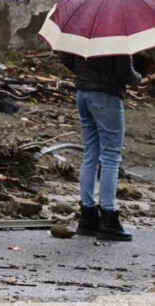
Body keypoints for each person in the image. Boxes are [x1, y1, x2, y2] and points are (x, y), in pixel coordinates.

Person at [59, 52, 141, 241]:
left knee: (90, 153)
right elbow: (124, 71)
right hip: (106, 95)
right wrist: (138, 79)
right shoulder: (117, 33)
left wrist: (83, 74)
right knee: (111, 157)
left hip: (83, 93)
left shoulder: (80, 26)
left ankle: (87, 215)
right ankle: (108, 216)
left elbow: (65, 56)